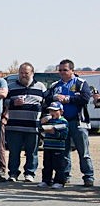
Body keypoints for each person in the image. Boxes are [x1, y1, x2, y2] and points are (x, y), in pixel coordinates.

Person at [43, 59, 94, 187]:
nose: (62, 72)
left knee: (83, 151)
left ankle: (88, 176)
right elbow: (46, 98)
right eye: (60, 70)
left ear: (72, 70)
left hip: (77, 122)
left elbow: (85, 98)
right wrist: (54, 97)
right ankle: (65, 176)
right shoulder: (55, 85)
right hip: (61, 123)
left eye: (65, 70)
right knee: (63, 151)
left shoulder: (81, 83)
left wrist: (68, 99)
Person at [4, 63, 46, 182]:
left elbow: (46, 104)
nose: (23, 75)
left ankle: (30, 173)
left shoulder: (40, 87)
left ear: (32, 73)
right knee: (14, 152)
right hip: (14, 126)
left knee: (32, 152)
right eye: (21, 73)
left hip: (33, 126)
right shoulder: (11, 87)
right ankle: (13, 173)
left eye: (26, 73)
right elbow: (3, 102)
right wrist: (13, 103)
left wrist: (45, 119)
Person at [38, 102, 69, 188]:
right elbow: (40, 129)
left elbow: (64, 135)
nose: (52, 113)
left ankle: (59, 182)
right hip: (48, 146)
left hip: (58, 147)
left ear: (61, 112)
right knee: (47, 165)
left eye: (55, 111)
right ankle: (46, 181)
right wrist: (41, 122)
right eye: (51, 110)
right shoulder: (48, 120)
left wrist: (54, 133)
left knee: (59, 165)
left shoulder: (63, 121)